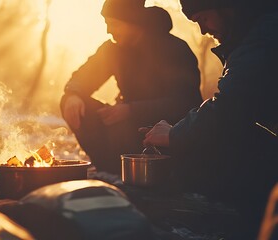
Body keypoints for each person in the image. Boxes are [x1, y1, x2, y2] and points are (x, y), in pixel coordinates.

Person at [142, 0, 278, 238]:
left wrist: (174, 134)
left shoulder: (265, 37)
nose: (203, 30)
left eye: (203, 19)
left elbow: (229, 108)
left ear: (226, 6)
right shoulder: (257, 30)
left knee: (225, 139)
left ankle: (251, 223)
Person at [60, 0, 203, 174]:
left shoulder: (174, 49)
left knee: (131, 126)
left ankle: (146, 172)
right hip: (124, 127)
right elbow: (84, 77)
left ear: (133, 22)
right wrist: (73, 94)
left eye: (113, 24)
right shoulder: (112, 50)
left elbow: (185, 103)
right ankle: (109, 168)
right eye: (106, 24)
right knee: (71, 101)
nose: (108, 30)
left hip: (162, 133)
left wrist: (131, 110)